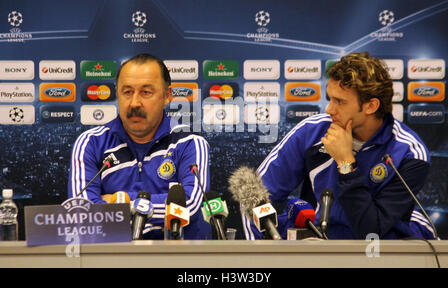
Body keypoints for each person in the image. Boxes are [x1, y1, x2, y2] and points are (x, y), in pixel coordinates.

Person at [242, 52, 436, 240]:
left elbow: (371, 232)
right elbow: (256, 197)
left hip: (379, 254)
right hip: (317, 250)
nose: (329, 110)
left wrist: (346, 163)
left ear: (371, 106)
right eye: (330, 99)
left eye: (340, 102)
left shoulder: (409, 153)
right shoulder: (312, 131)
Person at [68, 53, 211, 239]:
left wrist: (117, 202)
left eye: (146, 92)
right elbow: (83, 212)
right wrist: (157, 207)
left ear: (167, 96)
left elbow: (190, 206)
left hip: (176, 259)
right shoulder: (90, 143)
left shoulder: (189, 143)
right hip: (111, 259)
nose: (135, 103)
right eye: (127, 92)